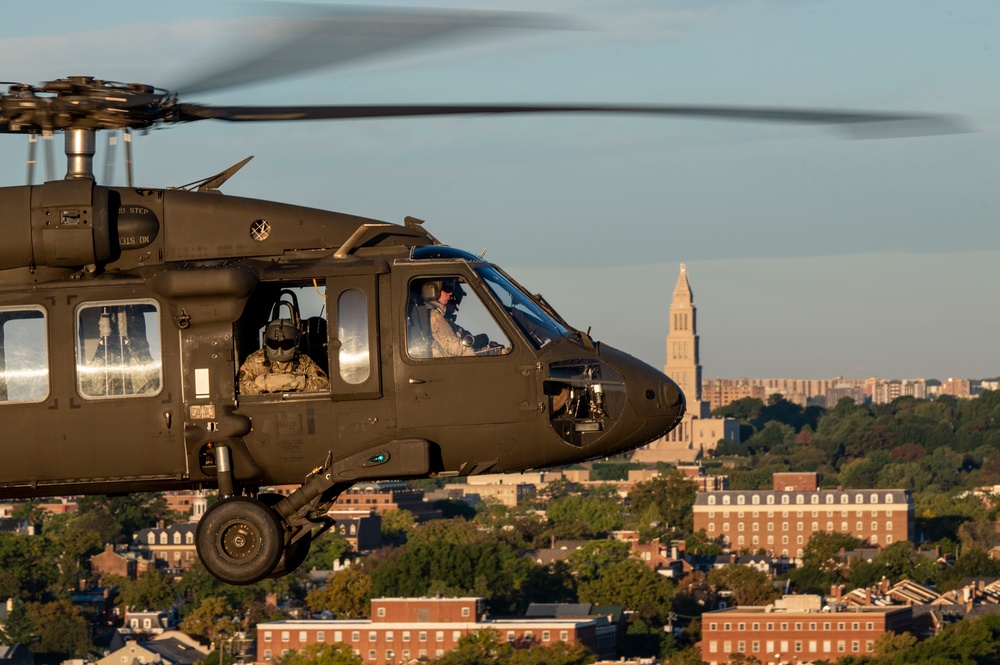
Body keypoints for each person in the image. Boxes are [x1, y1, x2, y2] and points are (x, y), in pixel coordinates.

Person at [239, 317, 330, 394]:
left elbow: (324, 384)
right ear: (266, 341)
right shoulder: (255, 361)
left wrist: (298, 382)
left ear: (295, 343)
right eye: (274, 344)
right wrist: (263, 384)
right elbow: (241, 387)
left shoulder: (304, 361)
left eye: (286, 344)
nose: (280, 350)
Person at [425, 280, 477, 358]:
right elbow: (452, 346)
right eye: (447, 288)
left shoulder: (437, 315)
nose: (450, 293)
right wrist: (476, 354)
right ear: (434, 291)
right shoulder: (435, 316)